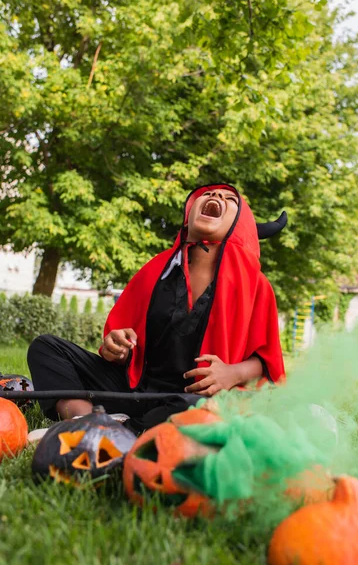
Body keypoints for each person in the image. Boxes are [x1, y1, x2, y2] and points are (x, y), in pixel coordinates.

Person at [28, 184, 286, 434]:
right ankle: (86, 420)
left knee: (202, 409)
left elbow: (265, 361)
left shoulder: (256, 286)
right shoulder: (154, 270)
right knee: (46, 348)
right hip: (134, 391)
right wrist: (117, 350)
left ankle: (126, 430)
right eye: (206, 194)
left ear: (240, 226)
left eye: (231, 201)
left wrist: (232, 373)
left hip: (194, 397)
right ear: (188, 218)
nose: (216, 194)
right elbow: (121, 350)